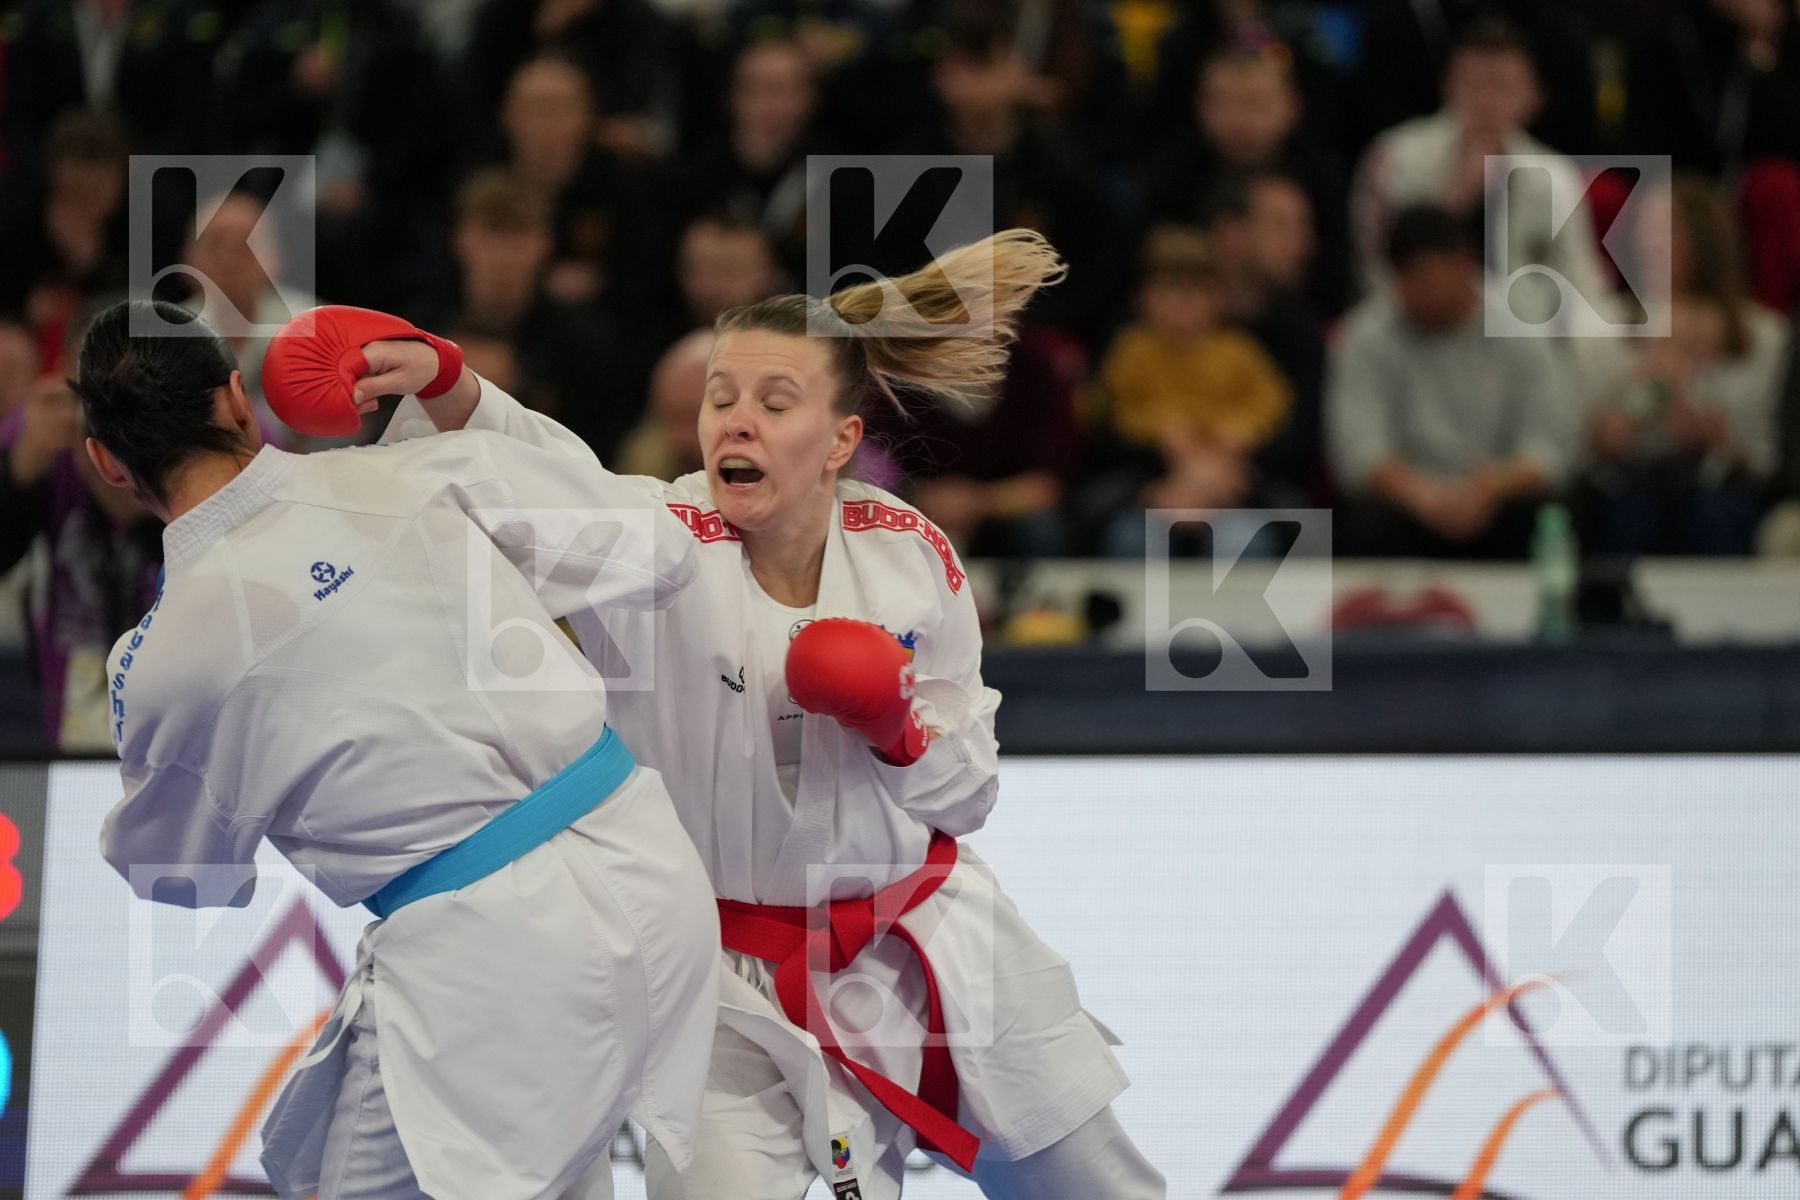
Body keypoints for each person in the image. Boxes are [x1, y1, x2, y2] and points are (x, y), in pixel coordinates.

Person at [364, 229, 1164, 1198]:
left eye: (774, 404)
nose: (735, 423)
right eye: (721, 398)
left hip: (927, 945)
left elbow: (970, 795)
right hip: (726, 991)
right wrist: (452, 385)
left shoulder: (910, 554)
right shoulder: (655, 543)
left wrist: (899, 729)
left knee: (1102, 1189)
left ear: (841, 441)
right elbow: (541, 474)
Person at [82, 299, 720, 1199]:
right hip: (655, 876)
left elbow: (186, 878)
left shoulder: (159, 665)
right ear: (235, 398)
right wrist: (460, 389)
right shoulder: (427, 466)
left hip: (492, 958)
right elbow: (659, 552)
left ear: (107, 461)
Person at [1328, 205, 1576, 558]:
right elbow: (1358, 450)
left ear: (1464, 264)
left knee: (1554, 512)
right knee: (1363, 523)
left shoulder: (1518, 325)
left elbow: (1551, 443)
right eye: (1406, 279)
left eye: (1428, 277)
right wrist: (1426, 497)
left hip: (1499, 495)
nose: (1419, 291)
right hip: (1409, 502)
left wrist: (1494, 485)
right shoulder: (1365, 337)